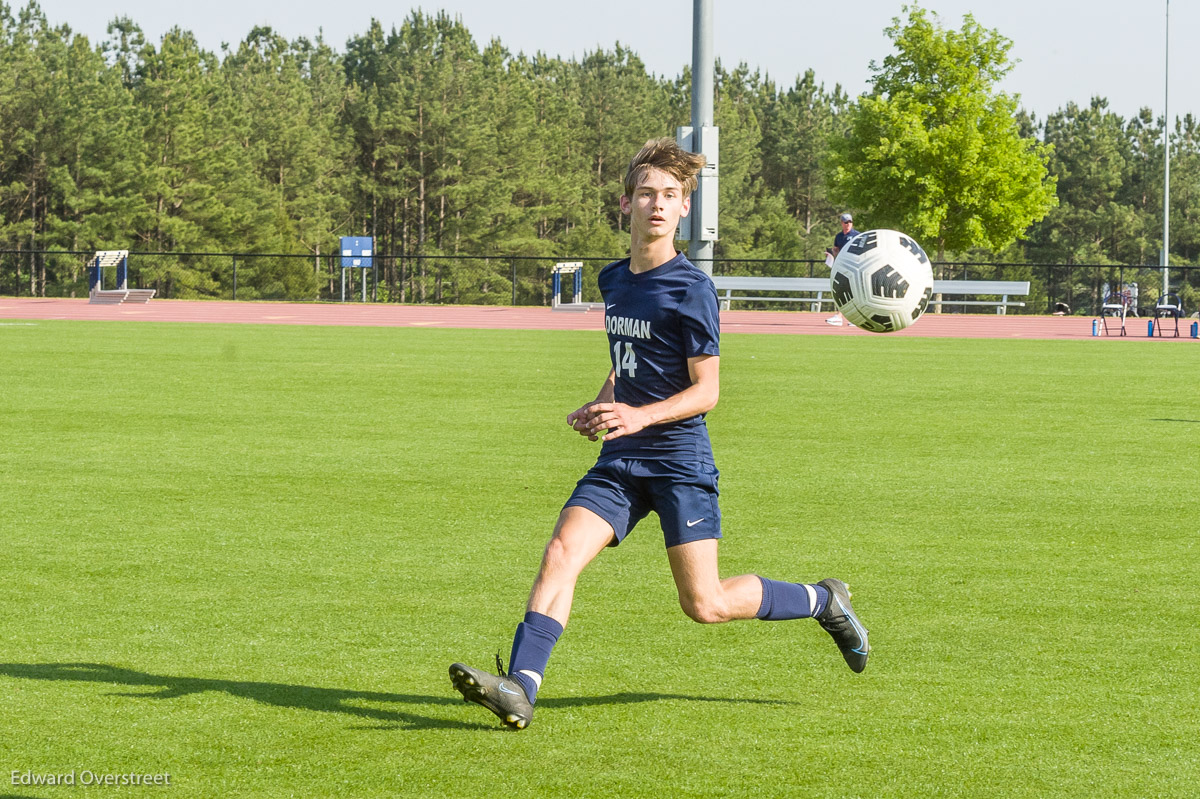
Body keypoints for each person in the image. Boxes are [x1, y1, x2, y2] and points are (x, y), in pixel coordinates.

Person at [449, 138, 870, 730]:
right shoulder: (614, 279)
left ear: (683, 210)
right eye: (646, 193)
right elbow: (630, 358)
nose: (656, 204)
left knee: (706, 604)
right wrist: (603, 402)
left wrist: (640, 416)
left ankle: (824, 600)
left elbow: (707, 392)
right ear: (625, 204)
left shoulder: (691, 288)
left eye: (670, 196)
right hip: (622, 459)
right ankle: (520, 686)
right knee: (561, 553)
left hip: (678, 461)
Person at [825, 212, 861, 325]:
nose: (848, 224)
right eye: (846, 222)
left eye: (850, 222)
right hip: (843, 266)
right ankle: (842, 317)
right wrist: (831, 253)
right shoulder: (839, 236)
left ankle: (849, 317)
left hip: (855, 266)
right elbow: (837, 250)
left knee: (853, 291)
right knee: (843, 290)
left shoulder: (857, 235)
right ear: (842, 223)